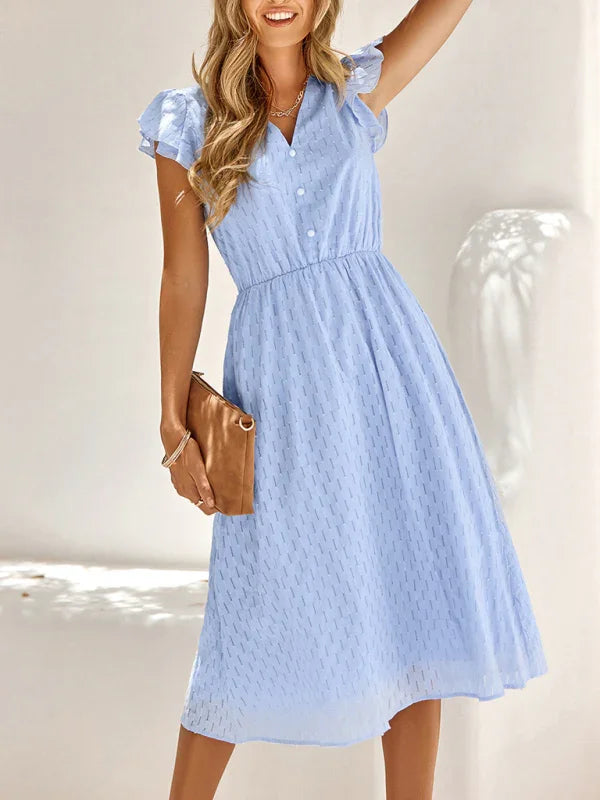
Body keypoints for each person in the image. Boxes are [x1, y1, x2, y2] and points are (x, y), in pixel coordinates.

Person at [136, 2, 548, 798]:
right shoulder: (187, 124)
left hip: (389, 371)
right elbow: (183, 277)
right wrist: (171, 421)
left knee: (413, 594)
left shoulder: (355, 90)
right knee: (249, 613)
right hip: (281, 387)